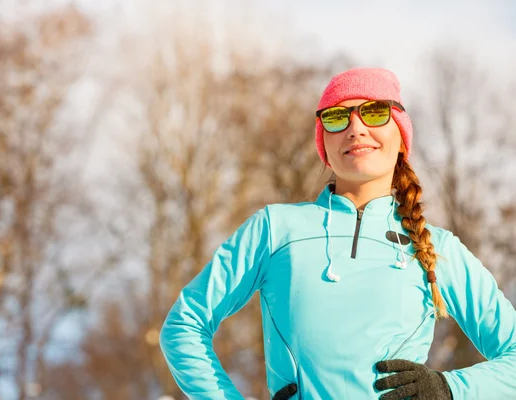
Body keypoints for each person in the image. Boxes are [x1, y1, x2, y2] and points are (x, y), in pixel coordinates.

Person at [159, 68, 516, 399]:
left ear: (402, 137)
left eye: (375, 112)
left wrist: (447, 388)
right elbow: (183, 326)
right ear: (325, 148)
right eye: (336, 117)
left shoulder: (438, 249)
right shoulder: (275, 229)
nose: (355, 128)